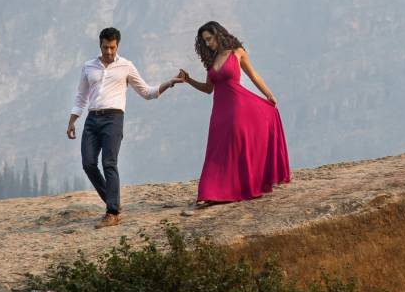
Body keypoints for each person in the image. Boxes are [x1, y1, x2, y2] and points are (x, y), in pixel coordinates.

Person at [68, 26, 176, 228]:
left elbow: (146, 92)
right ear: (99, 45)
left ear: (117, 46)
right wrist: (72, 120)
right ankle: (113, 201)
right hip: (92, 119)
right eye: (105, 47)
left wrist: (169, 83)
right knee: (88, 163)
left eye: (112, 48)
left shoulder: (126, 66)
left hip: (114, 118)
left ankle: (112, 211)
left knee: (109, 162)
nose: (108, 52)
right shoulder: (88, 66)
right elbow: (81, 96)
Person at [173, 20, 290, 204]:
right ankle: (210, 192)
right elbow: (208, 89)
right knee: (216, 150)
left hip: (239, 106)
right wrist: (188, 80)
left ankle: (236, 189)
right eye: (205, 41)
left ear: (218, 34)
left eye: (210, 39)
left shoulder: (237, 53)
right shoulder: (211, 60)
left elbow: (254, 75)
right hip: (219, 111)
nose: (208, 43)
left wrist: (269, 95)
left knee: (236, 147)